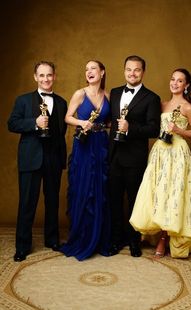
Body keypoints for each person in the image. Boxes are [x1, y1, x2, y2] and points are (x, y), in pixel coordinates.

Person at [130, 68, 191, 258]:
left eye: (180, 81)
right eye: (173, 79)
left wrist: (179, 130)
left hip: (178, 153)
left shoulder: (188, 107)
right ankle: (152, 233)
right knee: (158, 192)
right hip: (160, 152)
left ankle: (165, 238)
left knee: (174, 193)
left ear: (186, 85)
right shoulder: (161, 105)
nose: (175, 83)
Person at [8, 61, 67, 262]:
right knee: (27, 203)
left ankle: (52, 240)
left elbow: (61, 133)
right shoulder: (23, 100)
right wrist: (34, 122)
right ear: (35, 77)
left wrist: (61, 159)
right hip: (30, 159)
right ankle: (22, 246)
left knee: (52, 202)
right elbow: (12, 123)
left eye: (49, 75)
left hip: (53, 159)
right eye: (41, 75)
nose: (45, 79)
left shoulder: (61, 102)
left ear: (54, 76)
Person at [108, 55, 161, 257]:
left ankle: (133, 241)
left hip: (135, 158)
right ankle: (115, 239)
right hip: (113, 156)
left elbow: (153, 129)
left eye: (137, 70)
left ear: (143, 72)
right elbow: (109, 121)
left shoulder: (151, 98)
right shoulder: (114, 93)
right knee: (114, 200)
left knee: (134, 201)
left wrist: (130, 128)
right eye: (129, 69)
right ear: (124, 71)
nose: (132, 73)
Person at [60, 60, 111, 261]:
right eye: (87, 69)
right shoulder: (79, 94)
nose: (89, 72)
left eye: (93, 69)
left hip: (101, 145)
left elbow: (108, 121)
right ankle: (82, 237)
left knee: (101, 188)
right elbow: (67, 117)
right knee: (83, 187)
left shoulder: (107, 96)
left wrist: (103, 126)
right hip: (83, 145)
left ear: (102, 72)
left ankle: (98, 237)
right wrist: (82, 123)